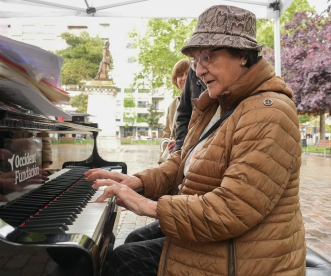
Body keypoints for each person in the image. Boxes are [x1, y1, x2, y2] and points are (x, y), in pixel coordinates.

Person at [85, 5, 305, 276]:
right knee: (134, 241)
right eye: (196, 61)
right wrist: (140, 183)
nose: (199, 71)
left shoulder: (269, 112)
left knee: (124, 259)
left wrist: (148, 205)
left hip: (249, 255)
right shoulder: (217, 104)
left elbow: (232, 210)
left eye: (208, 57)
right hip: (228, 237)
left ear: (243, 56)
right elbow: (183, 160)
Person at [159, 59, 189, 163]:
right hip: (172, 158)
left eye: (188, 73)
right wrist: (161, 159)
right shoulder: (173, 104)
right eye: (180, 75)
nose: (184, 78)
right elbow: (167, 133)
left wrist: (180, 143)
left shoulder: (201, 101)